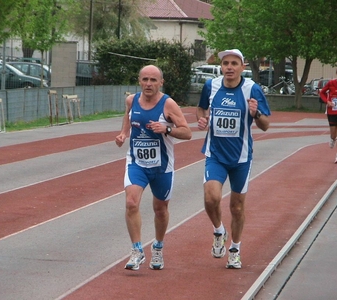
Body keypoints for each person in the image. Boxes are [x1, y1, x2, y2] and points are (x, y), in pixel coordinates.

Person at [197, 49, 271, 269]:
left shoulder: (252, 89)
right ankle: (219, 230)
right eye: (225, 63)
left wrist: (256, 113)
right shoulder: (211, 86)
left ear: (242, 67)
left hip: (241, 158)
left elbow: (265, 125)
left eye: (234, 63)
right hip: (215, 155)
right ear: (221, 67)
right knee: (211, 198)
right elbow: (201, 109)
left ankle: (235, 249)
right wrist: (202, 120)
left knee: (237, 208)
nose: (229, 67)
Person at [115, 65, 192, 271]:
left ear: (161, 83)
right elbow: (128, 117)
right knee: (131, 203)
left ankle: (157, 246)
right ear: (139, 81)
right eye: (145, 80)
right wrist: (123, 134)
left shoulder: (168, 105)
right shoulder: (132, 100)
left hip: (162, 166)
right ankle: (137, 249)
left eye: (153, 80)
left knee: (160, 209)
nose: (148, 84)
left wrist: (166, 128)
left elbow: (187, 132)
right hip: (136, 163)